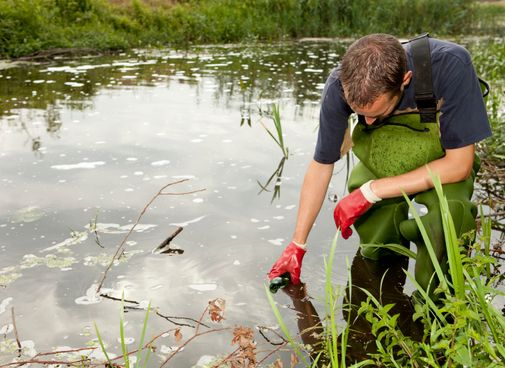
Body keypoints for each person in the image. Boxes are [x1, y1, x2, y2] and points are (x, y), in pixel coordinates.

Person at [268, 33, 491, 293]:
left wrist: (371, 192)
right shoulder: (337, 85)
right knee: (376, 239)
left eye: (377, 113)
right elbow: (321, 164)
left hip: (445, 156)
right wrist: (298, 243)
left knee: (449, 217)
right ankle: (381, 290)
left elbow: (459, 164)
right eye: (361, 115)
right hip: (384, 153)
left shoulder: (451, 64)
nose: (369, 123)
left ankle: (438, 304)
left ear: (405, 81)